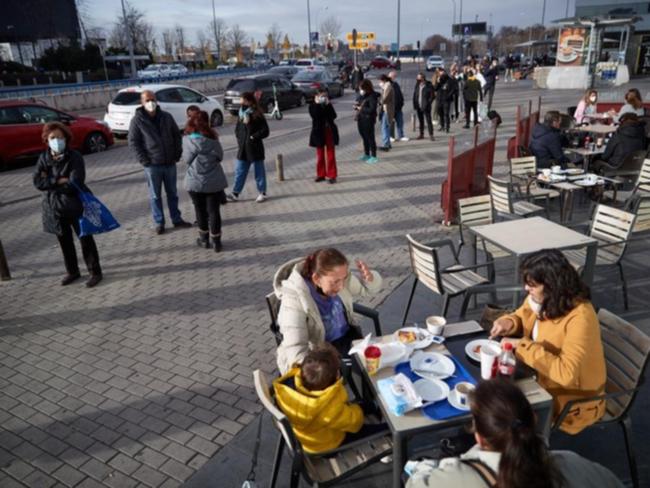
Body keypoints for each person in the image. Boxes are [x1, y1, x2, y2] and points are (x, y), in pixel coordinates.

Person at [406, 379, 624, 488]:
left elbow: (413, 484)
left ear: (479, 436)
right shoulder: (573, 464)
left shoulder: (453, 478)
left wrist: (434, 467)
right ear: (533, 420)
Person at [489, 249, 606, 434]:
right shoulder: (542, 299)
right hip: (538, 375)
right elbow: (523, 313)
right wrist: (509, 321)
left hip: (568, 401)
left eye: (532, 285)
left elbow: (566, 374)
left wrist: (523, 346)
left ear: (552, 285)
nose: (526, 289)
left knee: (498, 411)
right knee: (489, 390)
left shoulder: (581, 317)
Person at [273, 248, 382, 374]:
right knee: (370, 373)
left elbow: (367, 289)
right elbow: (296, 350)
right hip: (320, 354)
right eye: (335, 282)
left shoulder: (338, 277)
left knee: (376, 368)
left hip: (349, 339)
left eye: (344, 278)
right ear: (316, 279)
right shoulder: (294, 300)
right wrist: (318, 372)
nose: (341, 286)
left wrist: (369, 279)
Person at [273, 343, 387, 454]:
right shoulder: (328, 406)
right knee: (364, 430)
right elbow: (354, 423)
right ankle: (387, 428)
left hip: (311, 433)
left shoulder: (287, 386)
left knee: (355, 407)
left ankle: (372, 406)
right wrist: (358, 412)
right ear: (336, 376)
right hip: (326, 445)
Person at [33, 122, 103, 287]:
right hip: (55, 207)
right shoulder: (44, 158)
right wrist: (58, 179)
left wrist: (49, 181)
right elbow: (37, 182)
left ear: (66, 138)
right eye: (52, 138)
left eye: (59, 137)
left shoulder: (75, 156)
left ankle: (95, 272)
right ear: (46, 140)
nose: (56, 140)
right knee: (64, 242)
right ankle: (72, 271)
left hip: (76, 205)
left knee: (85, 240)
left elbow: (74, 183)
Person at [128, 90, 191, 235]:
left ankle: (176, 219)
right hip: (152, 165)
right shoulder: (137, 120)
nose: (151, 103)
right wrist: (144, 160)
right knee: (155, 196)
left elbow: (176, 135)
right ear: (142, 102)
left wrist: (177, 153)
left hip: (169, 163)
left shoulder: (166, 117)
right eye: (147, 100)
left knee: (173, 193)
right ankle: (159, 222)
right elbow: (133, 142)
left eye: (152, 99)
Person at [182, 111, 227, 252]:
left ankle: (204, 240)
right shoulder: (213, 139)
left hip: (194, 181)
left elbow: (187, 160)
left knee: (200, 210)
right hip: (214, 181)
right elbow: (220, 157)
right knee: (214, 211)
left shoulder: (187, 140)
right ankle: (217, 242)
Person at [227, 92, 270, 203]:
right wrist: (240, 138)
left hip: (255, 148)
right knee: (240, 171)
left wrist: (253, 137)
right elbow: (237, 129)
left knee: (259, 172)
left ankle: (262, 192)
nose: (240, 101)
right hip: (243, 149)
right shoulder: (241, 113)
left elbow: (265, 131)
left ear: (248, 100)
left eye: (241, 99)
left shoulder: (256, 114)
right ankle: (235, 193)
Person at [309, 87, 339, 184]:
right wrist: (318, 104)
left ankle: (332, 175)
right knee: (320, 155)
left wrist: (328, 105)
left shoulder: (327, 104)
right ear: (316, 96)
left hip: (329, 130)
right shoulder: (312, 106)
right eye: (322, 96)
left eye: (325, 96)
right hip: (319, 132)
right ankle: (321, 174)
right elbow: (315, 116)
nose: (324, 98)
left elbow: (334, 116)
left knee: (330, 154)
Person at [354, 79, 380, 164]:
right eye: (360, 89)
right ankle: (366, 154)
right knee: (364, 137)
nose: (361, 90)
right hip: (361, 119)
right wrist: (357, 106)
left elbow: (372, 109)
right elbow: (359, 102)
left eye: (362, 88)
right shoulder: (363, 95)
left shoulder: (372, 96)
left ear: (366, 87)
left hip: (368, 119)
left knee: (370, 137)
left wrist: (361, 108)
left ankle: (374, 156)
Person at [388, 70, 409, 142]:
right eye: (393, 76)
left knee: (400, 122)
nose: (394, 78)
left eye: (395, 76)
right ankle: (391, 136)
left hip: (398, 107)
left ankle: (401, 135)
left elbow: (399, 94)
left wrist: (402, 102)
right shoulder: (387, 85)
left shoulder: (396, 84)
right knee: (390, 123)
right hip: (391, 108)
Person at [413, 72, 434, 140]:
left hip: (426, 106)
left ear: (423, 78)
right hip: (418, 106)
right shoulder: (417, 85)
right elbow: (415, 95)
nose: (417, 79)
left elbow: (432, 96)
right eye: (417, 78)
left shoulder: (429, 85)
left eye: (418, 78)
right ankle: (421, 134)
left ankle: (431, 135)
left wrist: (428, 103)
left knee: (428, 121)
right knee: (421, 121)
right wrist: (415, 104)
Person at [378, 74, 395, 151]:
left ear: (384, 80)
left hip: (387, 110)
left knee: (384, 127)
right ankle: (388, 143)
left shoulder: (388, 86)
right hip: (385, 109)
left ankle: (385, 144)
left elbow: (385, 99)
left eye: (380, 81)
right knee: (386, 127)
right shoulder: (386, 86)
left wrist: (378, 100)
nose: (379, 83)